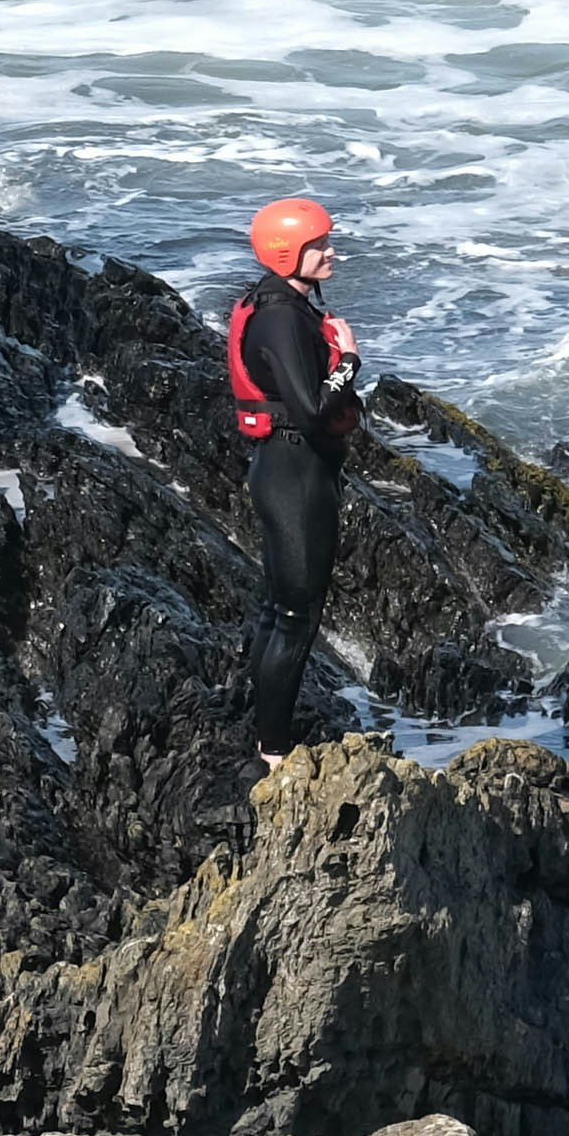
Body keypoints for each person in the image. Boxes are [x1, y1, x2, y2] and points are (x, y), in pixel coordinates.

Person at [225, 193, 363, 742]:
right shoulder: (281, 319)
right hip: (295, 473)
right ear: (286, 255)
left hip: (284, 467)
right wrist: (349, 362)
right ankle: (274, 748)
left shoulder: (278, 303)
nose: (332, 252)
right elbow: (310, 410)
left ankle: (261, 730)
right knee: (294, 619)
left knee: (277, 610)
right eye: (319, 246)